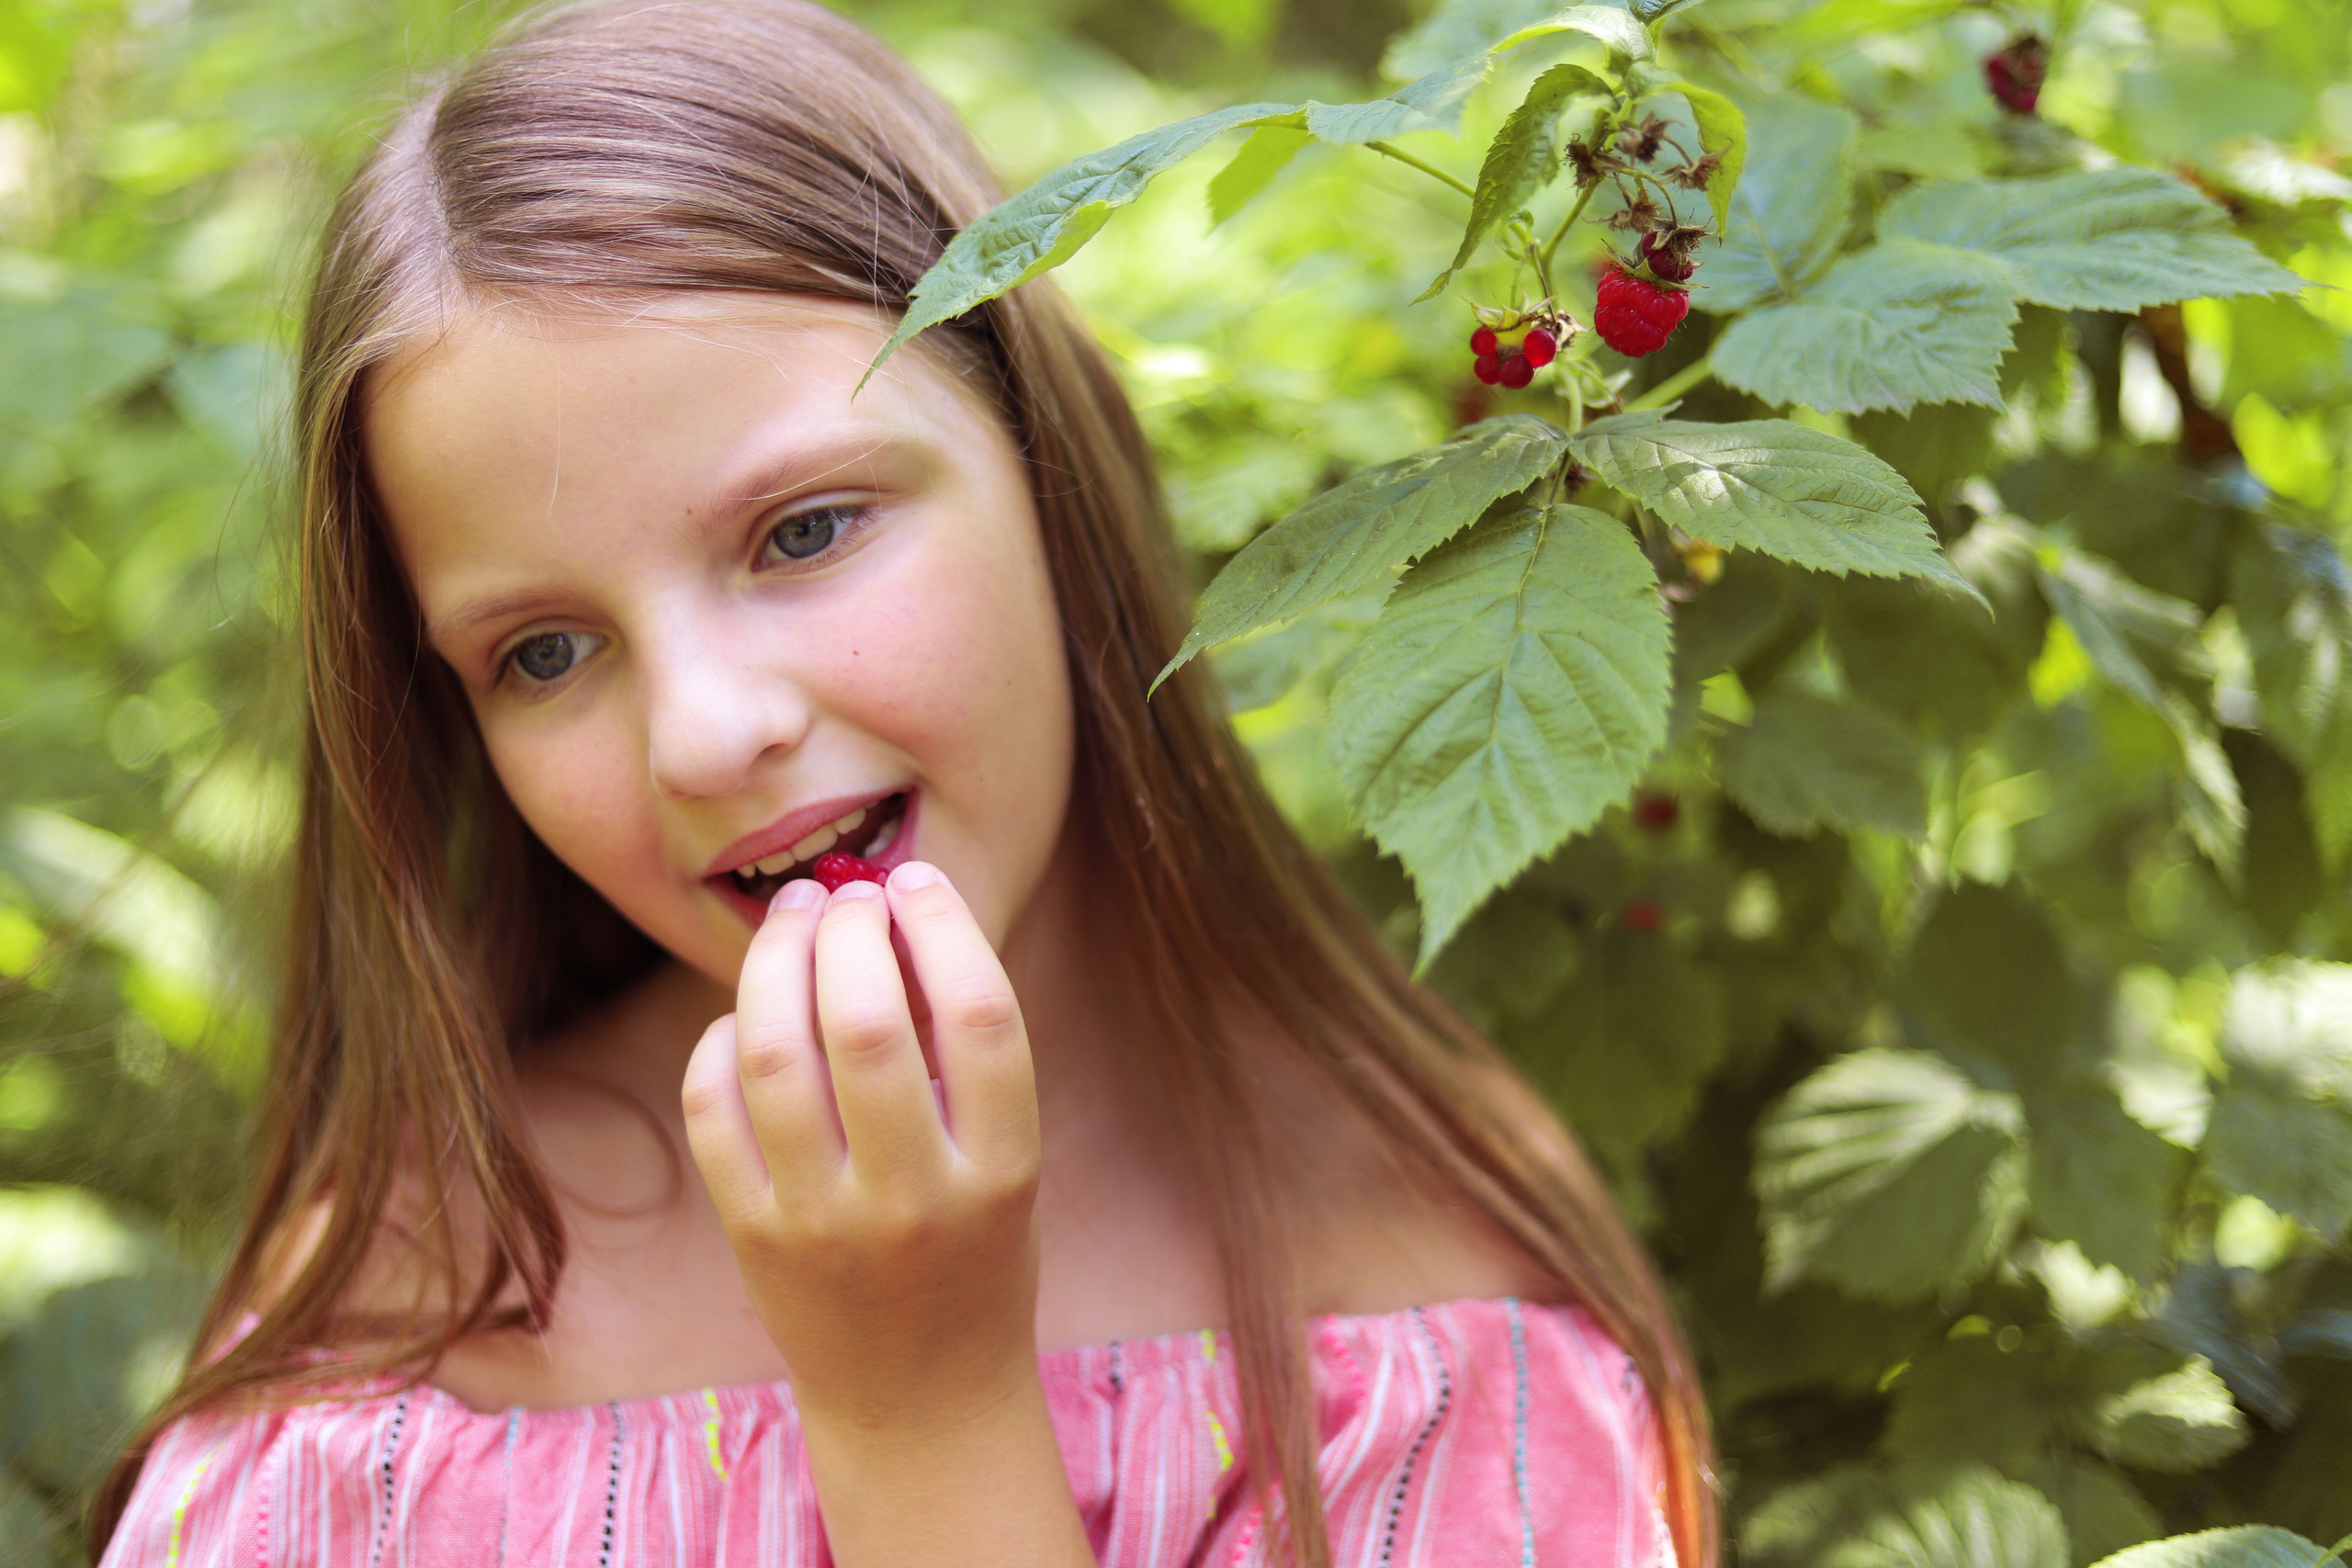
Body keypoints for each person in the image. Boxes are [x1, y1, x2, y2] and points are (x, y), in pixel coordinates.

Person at [94, 1, 1714, 1562]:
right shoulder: (404, 1337)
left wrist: (923, 1418)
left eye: (803, 531)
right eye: (543, 653)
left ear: (1043, 462)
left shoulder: (1435, 1305)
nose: (706, 737)